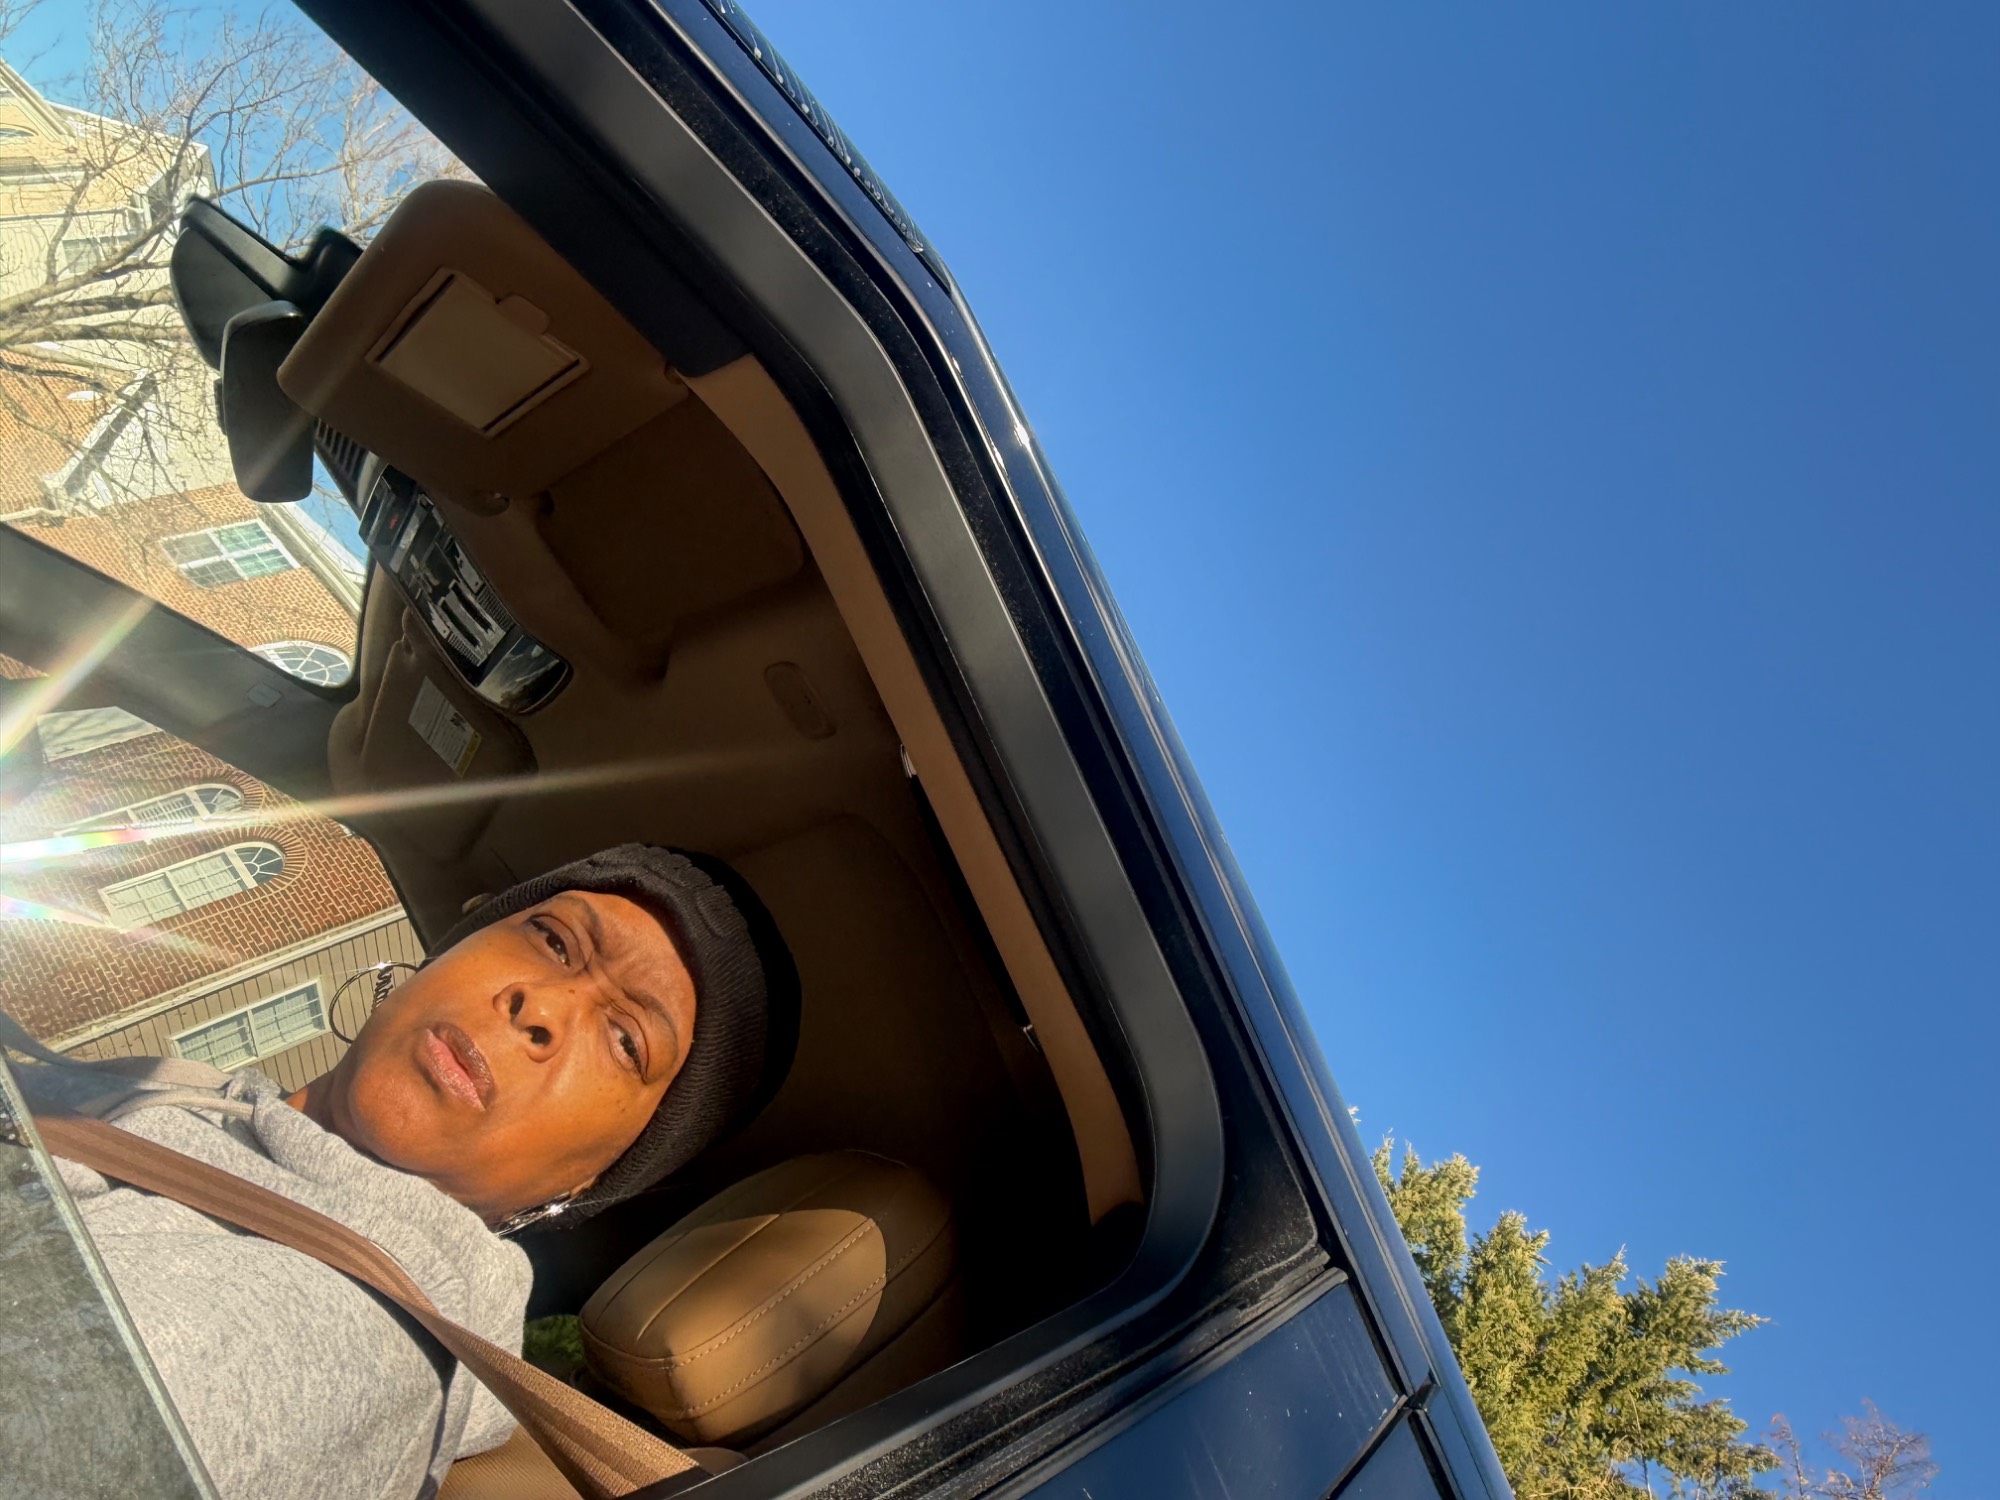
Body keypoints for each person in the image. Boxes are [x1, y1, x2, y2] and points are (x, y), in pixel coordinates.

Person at [3, 844, 799, 1500]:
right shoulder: (203, 1101)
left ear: (594, 1179)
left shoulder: (336, 1337)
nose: (543, 1006)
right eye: (555, 941)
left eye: (627, 1040)